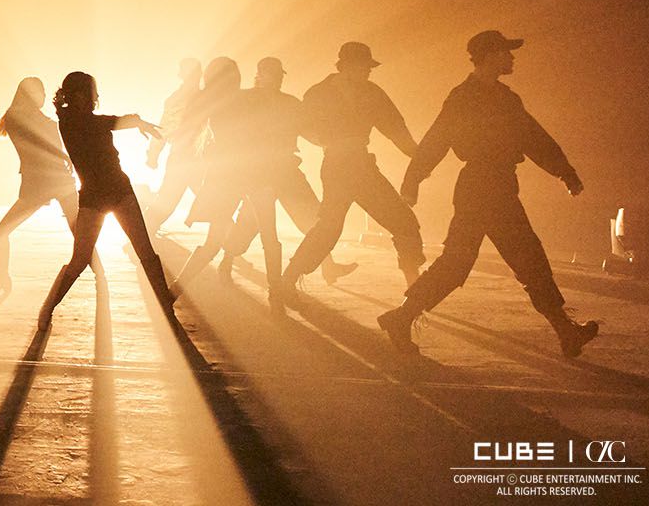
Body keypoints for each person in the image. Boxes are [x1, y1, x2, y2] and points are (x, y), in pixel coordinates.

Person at [378, 31, 598, 358]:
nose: (512, 57)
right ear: (490, 55)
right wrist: (413, 180)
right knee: (483, 261)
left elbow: (533, 137)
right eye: (506, 52)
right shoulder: (463, 97)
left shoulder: (507, 97)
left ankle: (566, 332)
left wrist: (564, 170)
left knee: (520, 260)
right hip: (481, 186)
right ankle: (401, 317)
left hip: (498, 185)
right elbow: (438, 138)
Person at [279, 42, 425, 294]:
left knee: (401, 223)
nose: (368, 71)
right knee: (331, 228)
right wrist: (326, 142)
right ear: (346, 66)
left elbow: (395, 127)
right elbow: (301, 124)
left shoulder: (369, 92)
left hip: (357, 164)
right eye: (364, 66)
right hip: (340, 166)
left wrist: (418, 156)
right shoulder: (319, 93)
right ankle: (287, 280)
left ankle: (414, 287)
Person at [37, 71, 175, 332]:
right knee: (80, 260)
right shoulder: (69, 122)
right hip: (95, 196)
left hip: (118, 191)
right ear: (80, 95)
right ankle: (48, 307)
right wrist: (135, 120)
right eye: (93, 91)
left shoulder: (77, 119)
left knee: (145, 252)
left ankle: (168, 312)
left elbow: (107, 122)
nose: (97, 96)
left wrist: (134, 121)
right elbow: (104, 123)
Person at [218, 58, 357, 290]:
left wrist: (330, 143)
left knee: (315, 219)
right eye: (274, 74)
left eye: (280, 75)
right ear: (261, 74)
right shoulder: (245, 99)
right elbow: (230, 132)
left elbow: (308, 131)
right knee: (247, 225)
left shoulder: (290, 103)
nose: (278, 79)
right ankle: (227, 261)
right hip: (258, 173)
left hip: (286, 170)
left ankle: (328, 265)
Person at [0, 77, 101, 294]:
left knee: (80, 233)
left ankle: (100, 274)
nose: (42, 96)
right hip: (41, 184)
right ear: (26, 95)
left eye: (42, 92)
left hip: (52, 182)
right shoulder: (17, 118)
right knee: (0, 234)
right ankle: (2, 277)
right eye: (37, 92)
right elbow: (35, 141)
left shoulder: (40, 120)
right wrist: (61, 154)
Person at [171, 58, 252, 296]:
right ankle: (175, 289)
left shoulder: (211, 100)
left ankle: (175, 290)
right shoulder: (228, 100)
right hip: (234, 174)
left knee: (222, 236)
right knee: (222, 236)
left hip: (233, 173)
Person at [143, 58, 205, 232]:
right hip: (189, 157)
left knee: (169, 199)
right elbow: (165, 129)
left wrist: (154, 154)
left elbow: (164, 129)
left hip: (189, 156)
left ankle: (144, 229)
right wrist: (153, 154)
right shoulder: (184, 99)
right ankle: (144, 229)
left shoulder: (180, 98)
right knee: (171, 199)